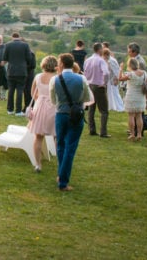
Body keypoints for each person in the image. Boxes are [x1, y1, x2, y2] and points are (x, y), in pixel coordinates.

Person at [50, 53, 94, 192]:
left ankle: (60, 174)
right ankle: (63, 181)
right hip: (76, 114)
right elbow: (87, 97)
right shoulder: (81, 78)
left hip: (61, 114)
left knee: (61, 145)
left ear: (61, 64)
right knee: (71, 147)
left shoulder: (55, 79)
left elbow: (53, 100)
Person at [27, 55, 58, 172]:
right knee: (57, 136)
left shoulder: (38, 76)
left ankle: (38, 164)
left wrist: (40, 99)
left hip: (39, 107)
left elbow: (32, 93)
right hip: (53, 107)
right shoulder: (57, 78)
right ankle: (59, 162)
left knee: (38, 137)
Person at [83, 42, 111, 137]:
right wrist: (104, 83)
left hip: (90, 85)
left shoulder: (88, 60)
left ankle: (92, 129)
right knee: (104, 110)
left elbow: (85, 72)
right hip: (99, 86)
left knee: (91, 108)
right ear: (99, 50)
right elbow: (106, 73)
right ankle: (103, 132)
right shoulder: (101, 60)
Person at [2, 32, 32, 116]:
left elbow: (5, 58)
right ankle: (18, 111)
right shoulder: (25, 45)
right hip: (22, 71)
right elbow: (29, 58)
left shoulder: (8, 45)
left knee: (11, 90)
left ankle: (10, 109)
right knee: (20, 91)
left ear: (12, 37)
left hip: (11, 70)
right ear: (19, 37)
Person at [120, 57, 147, 141]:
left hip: (131, 96)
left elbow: (120, 79)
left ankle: (132, 134)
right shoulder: (144, 73)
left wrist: (121, 69)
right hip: (141, 97)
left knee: (131, 115)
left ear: (129, 65)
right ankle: (139, 134)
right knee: (139, 116)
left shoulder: (131, 74)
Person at [105, 48, 125, 112]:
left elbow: (116, 71)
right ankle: (111, 106)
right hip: (109, 79)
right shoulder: (109, 60)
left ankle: (118, 107)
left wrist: (116, 79)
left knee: (115, 93)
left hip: (113, 79)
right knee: (110, 94)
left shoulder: (111, 61)